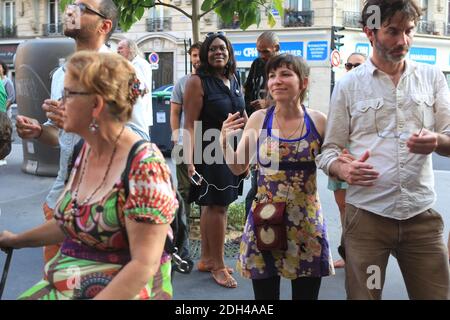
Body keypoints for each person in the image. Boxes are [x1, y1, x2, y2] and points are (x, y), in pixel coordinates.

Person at [0, 51, 178, 300]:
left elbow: (143, 266)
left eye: (68, 94)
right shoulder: (85, 149)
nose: (58, 103)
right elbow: (71, 223)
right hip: (68, 282)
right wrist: (16, 240)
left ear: (96, 105)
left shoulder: (145, 166)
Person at [316, 0, 450, 300]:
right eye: (392, 31)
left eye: (409, 31)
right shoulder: (349, 85)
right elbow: (328, 152)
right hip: (367, 219)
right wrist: (343, 168)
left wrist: (437, 141)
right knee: (365, 296)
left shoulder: (433, 78)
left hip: (420, 217)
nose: (403, 41)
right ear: (370, 32)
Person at [15, 0, 150, 265]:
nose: (70, 11)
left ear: (105, 25)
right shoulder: (61, 73)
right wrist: (40, 130)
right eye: (71, 5)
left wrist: (85, 122)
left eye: (82, 8)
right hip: (60, 198)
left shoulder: (121, 72)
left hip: (104, 205)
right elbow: (62, 138)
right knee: (57, 282)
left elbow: (139, 140)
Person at [221, 54, 333, 300]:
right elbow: (239, 167)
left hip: (306, 221)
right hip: (266, 220)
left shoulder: (319, 121)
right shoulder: (260, 119)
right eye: (272, 76)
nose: (276, 81)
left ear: (303, 82)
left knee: (306, 296)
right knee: (265, 298)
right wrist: (224, 141)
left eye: (285, 74)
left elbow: (335, 164)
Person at [183, 32, 245, 288]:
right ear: (206, 55)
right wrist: (188, 160)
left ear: (229, 52)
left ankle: (208, 258)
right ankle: (219, 267)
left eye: (222, 48)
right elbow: (189, 124)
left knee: (212, 206)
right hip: (210, 149)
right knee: (218, 205)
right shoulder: (197, 82)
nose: (218, 52)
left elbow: (244, 115)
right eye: (212, 49)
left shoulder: (234, 78)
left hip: (233, 149)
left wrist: (246, 153)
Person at [331, 52, 367, 269]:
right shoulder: (341, 91)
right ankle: (346, 254)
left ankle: (361, 255)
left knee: (362, 211)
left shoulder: (374, 90)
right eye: (348, 65)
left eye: (358, 65)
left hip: (362, 160)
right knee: (343, 209)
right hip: (339, 159)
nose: (352, 68)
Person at [169, 41, 202, 263]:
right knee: (184, 191)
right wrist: (175, 137)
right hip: (184, 142)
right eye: (194, 55)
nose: (197, 59)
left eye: (200, 55)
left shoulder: (214, 82)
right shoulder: (182, 83)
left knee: (207, 192)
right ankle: (184, 241)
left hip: (209, 144)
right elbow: (174, 113)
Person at [244, 31, 280, 220]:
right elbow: (248, 91)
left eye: (265, 51)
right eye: (259, 51)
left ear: (277, 48)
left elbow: (295, 99)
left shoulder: (285, 66)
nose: (261, 56)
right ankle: (251, 228)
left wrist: (269, 103)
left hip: (277, 132)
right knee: (256, 182)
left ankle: (262, 226)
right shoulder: (257, 65)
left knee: (266, 182)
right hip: (258, 130)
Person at [117, 38, 153, 138]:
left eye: (121, 48)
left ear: (131, 49)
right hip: (136, 118)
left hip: (137, 119)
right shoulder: (135, 64)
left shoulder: (138, 64)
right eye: (117, 49)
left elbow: (141, 88)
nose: (118, 51)